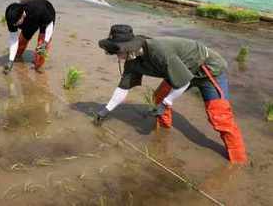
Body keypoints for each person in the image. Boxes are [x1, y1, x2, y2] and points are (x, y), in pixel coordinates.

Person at [94, 24, 247, 164]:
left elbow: (184, 82)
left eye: (119, 51)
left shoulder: (159, 52)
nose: (117, 56)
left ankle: (238, 160)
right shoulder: (131, 61)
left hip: (206, 70)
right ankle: (163, 129)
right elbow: (123, 88)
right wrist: (106, 109)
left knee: (220, 117)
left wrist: (166, 103)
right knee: (159, 96)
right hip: (180, 69)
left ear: (130, 48)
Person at [3, 0, 55, 74]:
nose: (14, 26)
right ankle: (17, 57)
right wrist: (11, 61)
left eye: (17, 23)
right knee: (20, 45)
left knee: (41, 49)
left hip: (45, 17)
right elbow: (14, 39)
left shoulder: (39, 9)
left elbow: (49, 25)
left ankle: (38, 67)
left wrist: (45, 42)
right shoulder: (12, 19)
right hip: (29, 22)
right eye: (13, 24)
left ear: (23, 14)